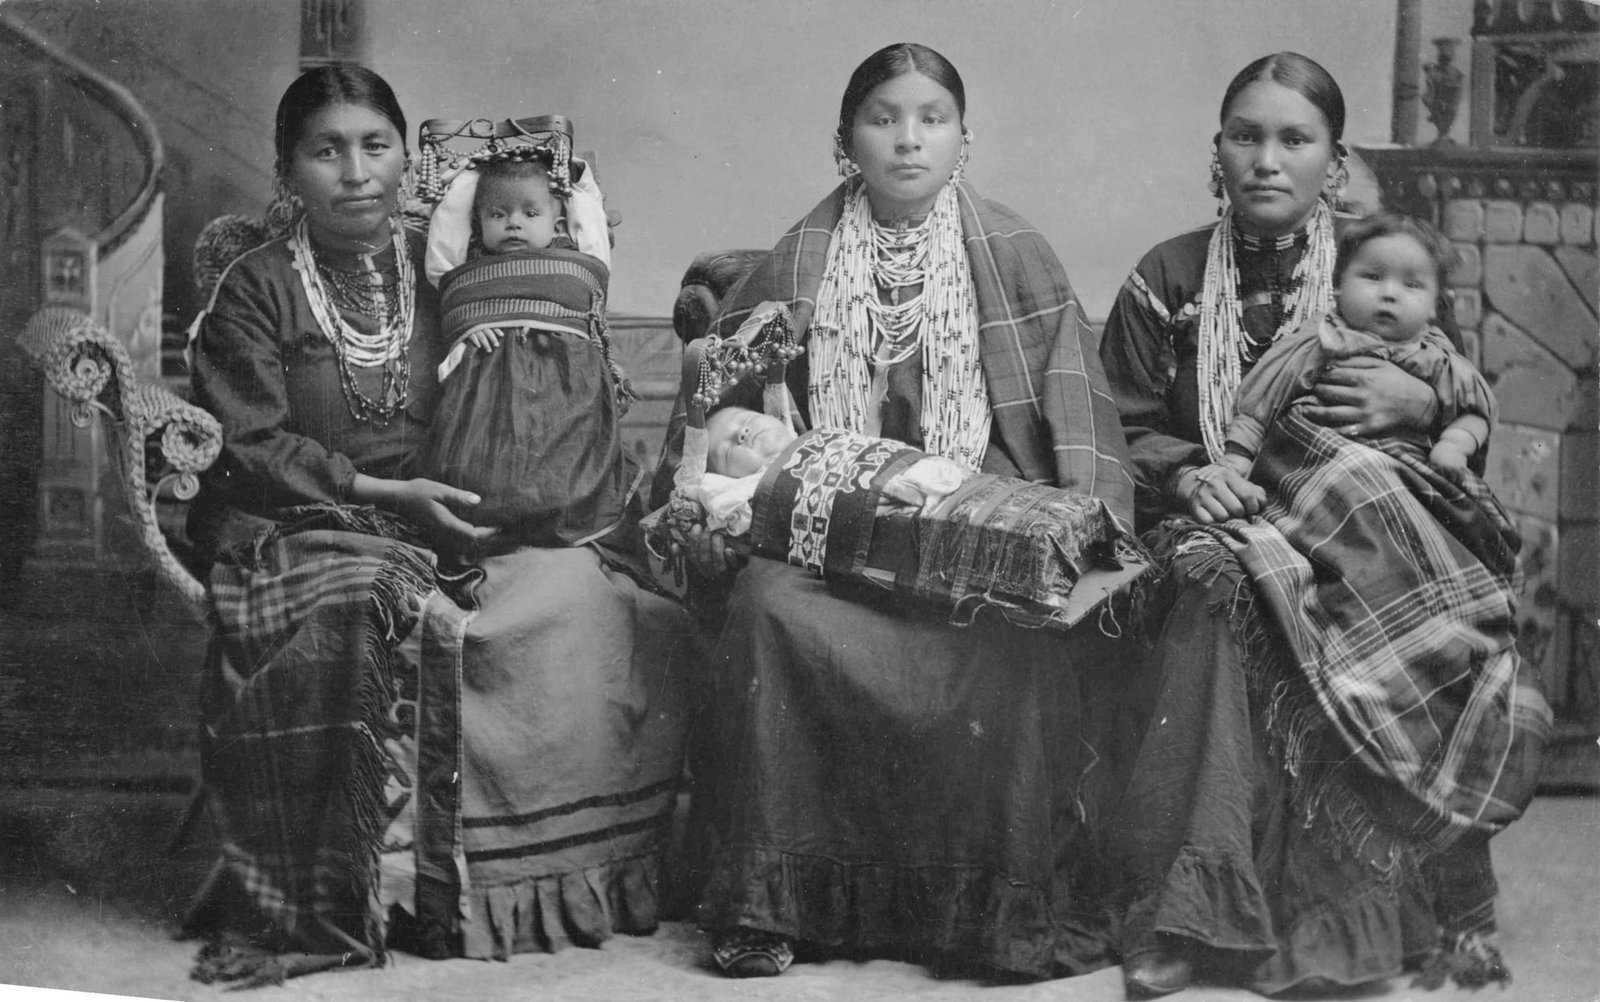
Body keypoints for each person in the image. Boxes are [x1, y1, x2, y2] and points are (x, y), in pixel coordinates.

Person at [182, 66, 697, 985]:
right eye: (325, 150)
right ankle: (336, 901)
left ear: (403, 158)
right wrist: (388, 497)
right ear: (286, 169)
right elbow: (250, 445)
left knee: (596, 597)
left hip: (456, 516)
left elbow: (541, 381)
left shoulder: (454, 272)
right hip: (305, 522)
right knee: (362, 599)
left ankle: (519, 889)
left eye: (375, 145)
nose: (355, 172)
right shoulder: (255, 288)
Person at [652, 42, 1139, 982]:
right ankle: (770, 902)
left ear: (965, 139)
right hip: (825, 531)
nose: (908, 140)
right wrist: (728, 498)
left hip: (968, 526)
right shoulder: (801, 257)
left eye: (931, 119)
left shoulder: (1015, 254)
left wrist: (1058, 530)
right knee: (767, 610)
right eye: (882, 119)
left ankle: (984, 909)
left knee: (1016, 640)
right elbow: (720, 417)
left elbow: (1077, 422)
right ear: (846, 142)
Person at [1097, 52, 1548, 999]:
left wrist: (1414, 409)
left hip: (1359, 511)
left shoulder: (1381, 265)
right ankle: (1190, 913)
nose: (1267, 159)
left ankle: (1344, 925)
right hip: (1214, 517)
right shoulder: (1167, 276)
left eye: (1294, 140)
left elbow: (1452, 389)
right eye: (1245, 136)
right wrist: (1189, 478)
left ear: (1333, 166)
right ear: (1215, 153)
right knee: (1228, 592)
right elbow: (1118, 426)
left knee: (1408, 607)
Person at [414, 153, 639, 549]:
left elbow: (588, 219)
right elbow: (443, 267)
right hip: (489, 381)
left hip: (566, 384)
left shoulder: (576, 258)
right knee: (478, 470)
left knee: (568, 467)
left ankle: (557, 517)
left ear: (556, 225)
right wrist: (470, 329)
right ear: (478, 224)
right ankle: (494, 521)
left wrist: (570, 171)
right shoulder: (472, 269)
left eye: (529, 213)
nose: (513, 222)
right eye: (498, 215)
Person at [1219, 213, 1491, 489]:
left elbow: (1476, 411)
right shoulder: (1321, 340)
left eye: (1411, 285)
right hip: (1315, 470)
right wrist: (1238, 456)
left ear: (1435, 304)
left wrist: (1454, 444)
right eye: (1373, 277)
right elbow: (1265, 396)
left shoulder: (1437, 357)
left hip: (1402, 477)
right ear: (1339, 287)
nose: (1389, 293)